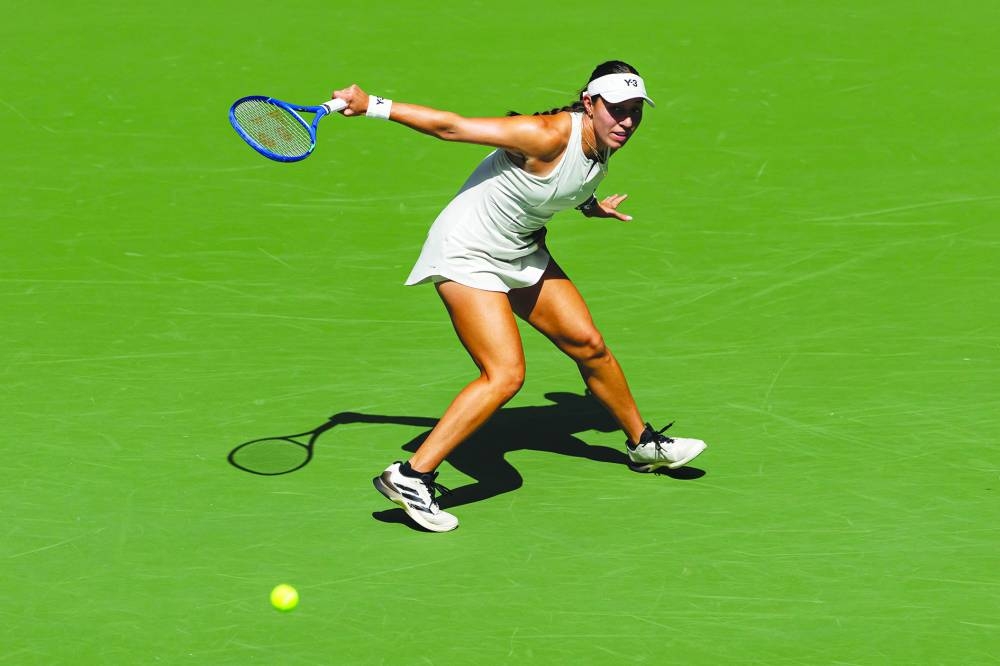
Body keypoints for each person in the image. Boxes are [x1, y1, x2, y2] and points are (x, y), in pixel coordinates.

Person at [330, 60, 706, 532]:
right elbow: (453, 127)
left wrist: (590, 206)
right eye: (616, 109)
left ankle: (643, 445)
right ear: (590, 105)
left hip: (520, 248)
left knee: (588, 344)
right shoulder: (545, 134)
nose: (627, 121)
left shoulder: (603, 140)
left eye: (635, 110)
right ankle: (411, 475)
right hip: (468, 252)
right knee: (505, 374)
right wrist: (372, 106)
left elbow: (556, 184)